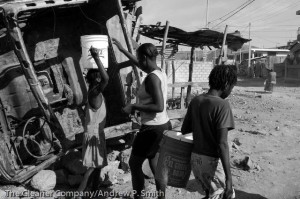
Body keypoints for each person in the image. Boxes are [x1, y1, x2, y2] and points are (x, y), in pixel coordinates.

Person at [112, 38, 171, 199]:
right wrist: (123, 50)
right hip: (163, 125)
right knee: (154, 159)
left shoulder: (152, 78)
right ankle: (161, 196)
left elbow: (159, 106)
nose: (138, 62)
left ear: (145, 58)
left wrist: (134, 107)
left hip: (152, 128)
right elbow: (138, 64)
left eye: (139, 59)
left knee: (134, 163)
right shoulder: (158, 71)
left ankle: (138, 196)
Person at [181, 65, 237, 199]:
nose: (230, 91)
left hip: (196, 160)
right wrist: (229, 179)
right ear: (226, 84)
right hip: (212, 162)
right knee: (225, 194)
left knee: (210, 192)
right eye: (232, 87)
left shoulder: (196, 101)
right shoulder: (222, 105)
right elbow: (222, 143)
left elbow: (184, 130)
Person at [76, 46, 109, 197]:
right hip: (94, 135)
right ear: (97, 78)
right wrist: (96, 57)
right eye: (99, 76)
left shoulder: (94, 93)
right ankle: (79, 193)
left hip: (96, 133)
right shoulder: (95, 93)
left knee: (98, 166)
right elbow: (106, 78)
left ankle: (94, 192)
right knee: (92, 167)